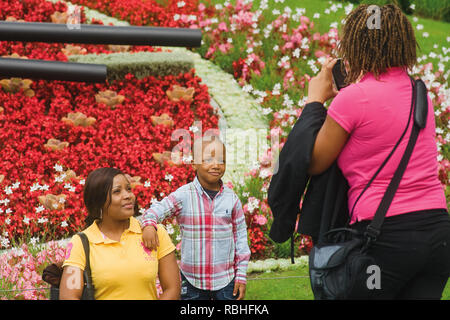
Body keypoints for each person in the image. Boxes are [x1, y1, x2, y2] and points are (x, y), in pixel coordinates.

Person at [305, 4, 449, 299]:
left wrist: (315, 101)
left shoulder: (352, 99)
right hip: (437, 233)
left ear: (358, 45)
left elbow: (315, 162)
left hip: (386, 237)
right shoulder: (420, 92)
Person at [140, 135, 251, 300]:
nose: (216, 165)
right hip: (192, 281)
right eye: (208, 159)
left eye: (221, 160)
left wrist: (240, 275)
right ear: (194, 164)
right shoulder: (183, 196)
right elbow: (157, 210)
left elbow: (241, 238)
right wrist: (149, 224)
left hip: (226, 280)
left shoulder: (231, 199)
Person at [59, 167, 180, 300]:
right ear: (99, 201)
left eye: (128, 189)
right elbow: (69, 296)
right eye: (117, 191)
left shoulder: (154, 232)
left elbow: (172, 288)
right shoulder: (81, 243)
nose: (128, 196)